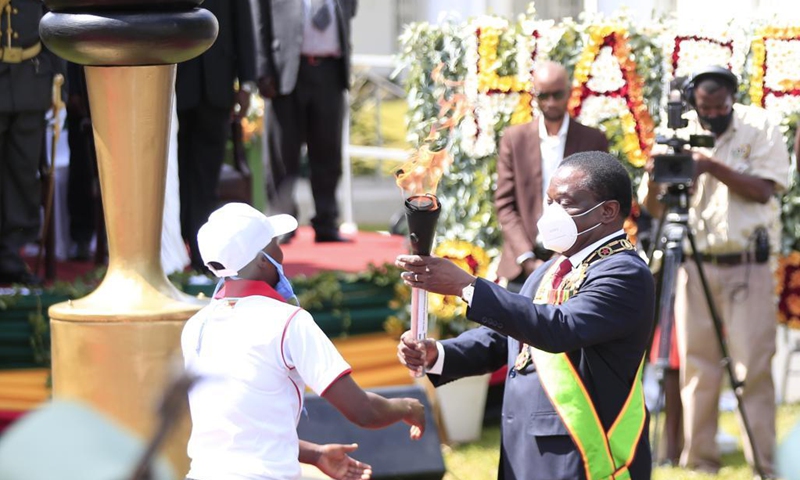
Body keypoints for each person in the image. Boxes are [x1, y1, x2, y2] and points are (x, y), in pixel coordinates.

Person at [397, 151, 654, 480]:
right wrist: (439, 353)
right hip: (525, 448)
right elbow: (506, 337)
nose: (552, 214)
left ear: (607, 211)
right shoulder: (553, 267)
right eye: (550, 202)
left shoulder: (623, 273)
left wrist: (467, 286)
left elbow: (560, 328)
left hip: (581, 452)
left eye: (566, 203)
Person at [181, 202, 425, 480]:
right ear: (263, 260)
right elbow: (363, 411)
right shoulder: (288, 322)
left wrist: (316, 454)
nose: (281, 253)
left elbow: (239, 430)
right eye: (275, 244)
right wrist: (409, 407)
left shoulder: (196, 325)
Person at [639, 65, 789, 476]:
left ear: (731, 99)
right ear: (693, 102)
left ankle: (763, 464)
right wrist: (655, 175)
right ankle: (700, 460)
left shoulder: (759, 125)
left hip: (746, 265)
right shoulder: (678, 130)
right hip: (694, 262)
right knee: (696, 369)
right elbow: (652, 208)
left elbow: (764, 190)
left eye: (720, 106)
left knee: (751, 369)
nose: (712, 114)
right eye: (704, 107)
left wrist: (708, 165)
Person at [495, 61, 609, 291]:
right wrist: (527, 258)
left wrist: (565, 255)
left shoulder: (593, 140)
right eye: (543, 95)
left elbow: (599, 205)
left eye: (557, 94)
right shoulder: (514, 139)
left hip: (575, 263)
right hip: (523, 264)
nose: (551, 102)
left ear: (569, 92)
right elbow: (505, 204)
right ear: (533, 95)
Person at [256, 0, 358, 243]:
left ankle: (326, 223)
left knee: (328, 152)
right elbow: (259, 24)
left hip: (330, 72)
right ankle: (282, 224)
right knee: (282, 154)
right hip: (286, 76)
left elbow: (349, 12)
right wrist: (262, 71)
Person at [175, 0, 257, 272]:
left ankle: (202, 254)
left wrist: (246, 83)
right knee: (172, 177)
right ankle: (174, 248)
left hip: (217, 88)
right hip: (171, 84)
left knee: (206, 180)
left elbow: (243, 25)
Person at [0, 0, 64, 285]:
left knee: (24, 174)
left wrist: (57, 75)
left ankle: (11, 257)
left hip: (31, 76)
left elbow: (57, 18)